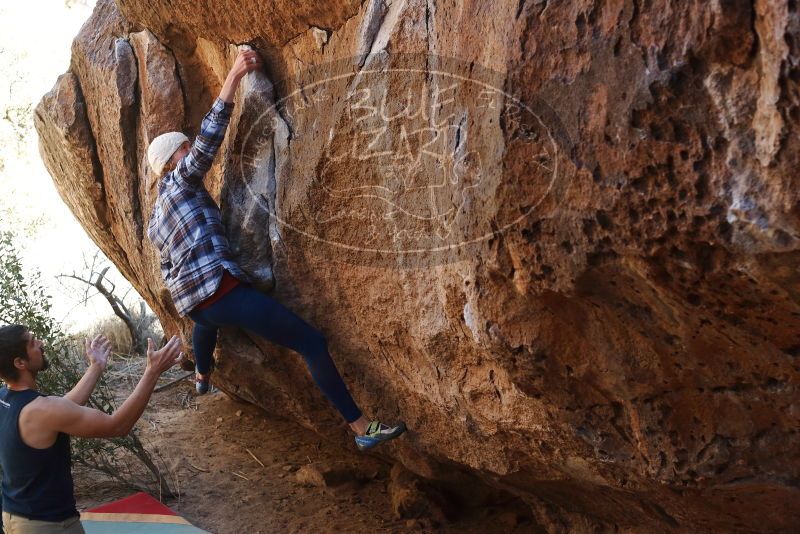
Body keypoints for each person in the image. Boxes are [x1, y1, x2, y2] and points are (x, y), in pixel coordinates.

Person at [146, 48, 405, 451]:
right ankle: (361, 429)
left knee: (206, 322)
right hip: (221, 292)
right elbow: (207, 145)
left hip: (200, 305)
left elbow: (167, 268)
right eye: (183, 148)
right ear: (171, 160)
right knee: (311, 343)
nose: (188, 150)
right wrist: (232, 77)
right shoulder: (179, 183)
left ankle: (201, 375)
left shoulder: (157, 217)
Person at [0, 324, 184, 533]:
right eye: (33, 342)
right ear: (19, 362)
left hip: (14, 515)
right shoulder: (41, 410)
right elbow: (118, 426)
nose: (41, 343)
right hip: (48, 525)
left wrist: (96, 366)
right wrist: (153, 371)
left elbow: (63, 409)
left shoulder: (5, 398)